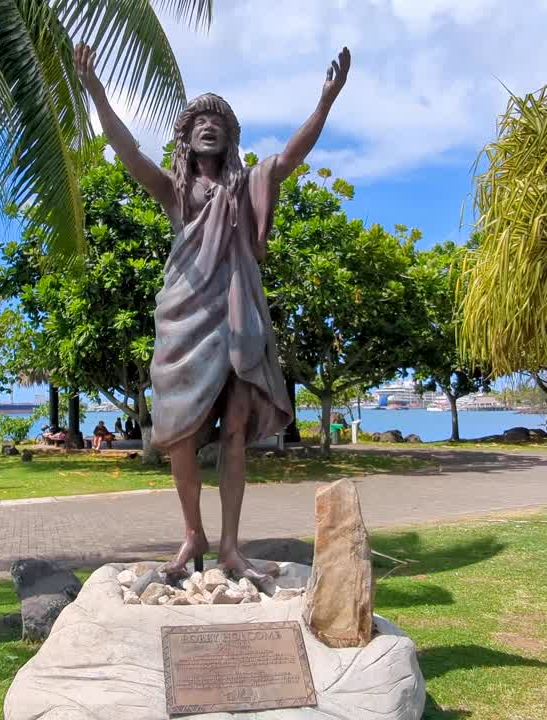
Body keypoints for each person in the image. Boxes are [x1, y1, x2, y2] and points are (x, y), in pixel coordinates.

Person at [75, 42, 350, 581]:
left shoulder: (247, 186)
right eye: (200, 121)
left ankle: (229, 546)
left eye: (219, 122)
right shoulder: (175, 192)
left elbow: (289, 158)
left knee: (236, 429)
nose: (209, 127)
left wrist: (325, 102)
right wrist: (99, 95)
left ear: (230, 137)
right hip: (185, 318)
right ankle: (192, 534)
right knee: (178, 434)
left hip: (238, 319)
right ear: (186, 136)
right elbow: (129, 153)